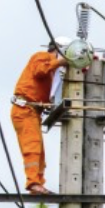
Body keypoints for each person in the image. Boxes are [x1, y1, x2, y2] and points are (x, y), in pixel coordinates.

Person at [10, 38, 68, 195]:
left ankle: (37, 184)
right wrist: (60, 62)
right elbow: (39, 70)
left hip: (32, 110)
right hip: (24, 109)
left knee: (39, 153)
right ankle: (33, 183)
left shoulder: (53, 73)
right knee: (33, 147)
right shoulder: (42, 56)